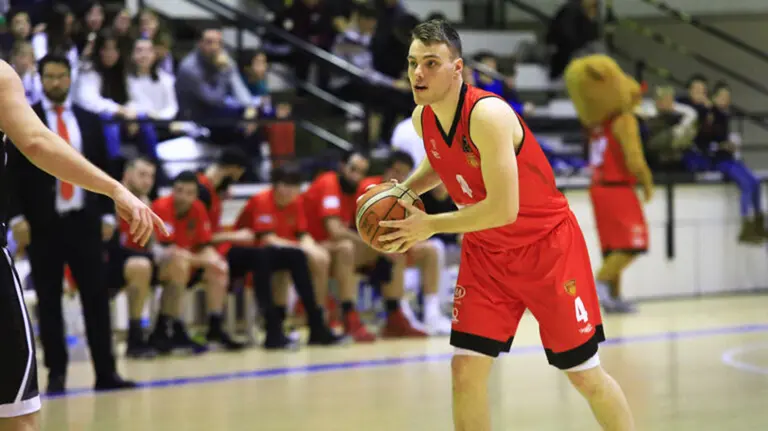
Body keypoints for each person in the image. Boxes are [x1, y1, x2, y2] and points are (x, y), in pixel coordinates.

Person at [377, 20, 634, 431]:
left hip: (547, 250)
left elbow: (502, 210)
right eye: (412, 64)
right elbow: (442, 161)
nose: (418, 74)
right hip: (486, 255)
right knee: (465, 371)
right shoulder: (423, 117)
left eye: (430, 63)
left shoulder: (489, 115)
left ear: (457, 68)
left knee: (585, 375)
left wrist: (429, 224)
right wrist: (406, 189)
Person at [0, 55, 164, 431]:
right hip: (42, 223)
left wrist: (107, 202)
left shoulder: (87, 118)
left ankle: (105, 369)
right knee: (16, 417)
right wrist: (115, 189)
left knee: (94, 293)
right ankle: (57, 371)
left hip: (83, 221)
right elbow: (37, 145)